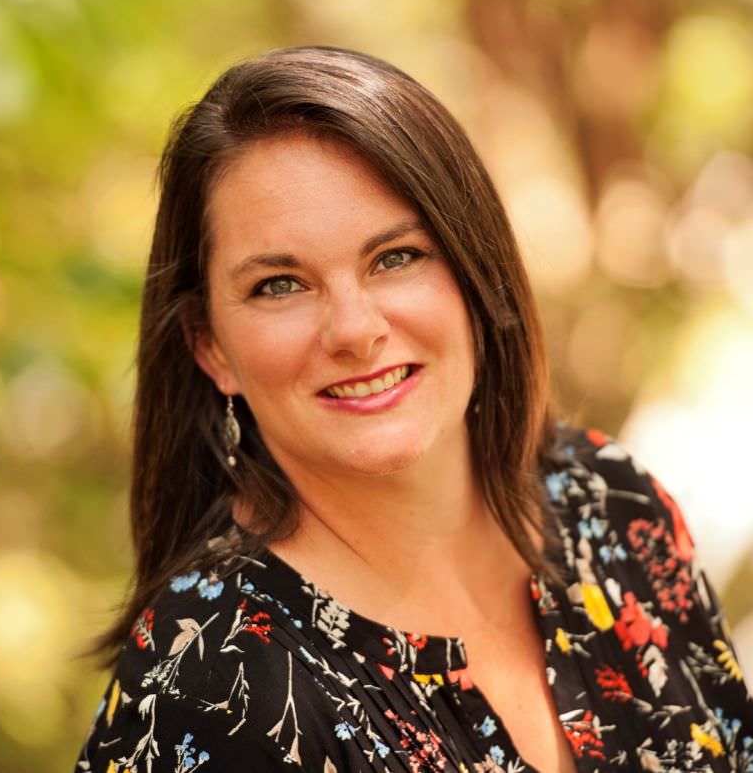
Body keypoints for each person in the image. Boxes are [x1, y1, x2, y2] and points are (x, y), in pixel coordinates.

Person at [73, 46, 752, 773]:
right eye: (278, 284)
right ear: (210, 346)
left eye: (394, 257)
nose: (355, 329)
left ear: (472, 270)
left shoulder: (610, 505)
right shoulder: (209, 677)